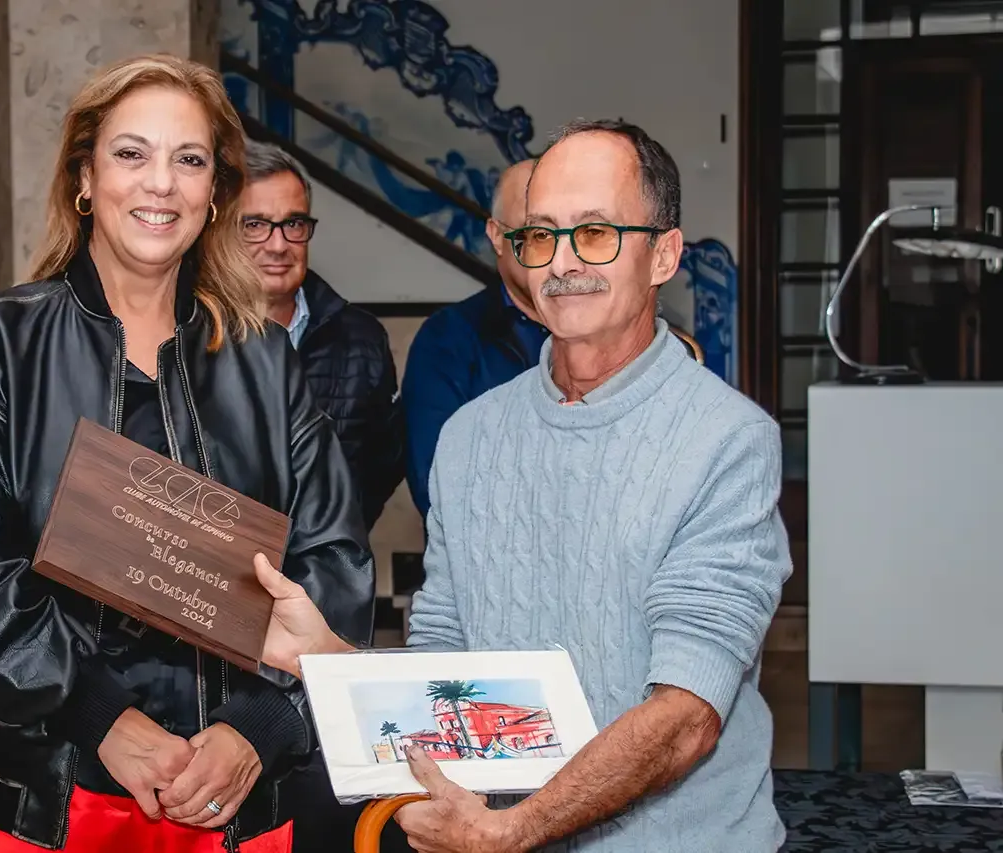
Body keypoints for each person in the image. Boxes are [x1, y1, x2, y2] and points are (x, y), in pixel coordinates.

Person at [248, 119, 793, 853]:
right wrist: (332, 662)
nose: (563, 262)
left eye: (595, 233)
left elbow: (686, 717)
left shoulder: (726, 440)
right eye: (541, 236)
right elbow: (446, 662)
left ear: (663, 254)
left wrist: (508, 832)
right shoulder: (471, 436)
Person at [0, 54, 375, 853]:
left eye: (189, 160)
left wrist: (258, 727)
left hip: (234, 799)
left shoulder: (265, 360)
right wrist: (101, 716)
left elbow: (334, 560)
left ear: (214, 193)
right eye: (130, 153)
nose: (161, 183)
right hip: (49, 799)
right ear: (85, 177)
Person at [238, 138, 404, 530]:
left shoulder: (361, 338)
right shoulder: (185, 331)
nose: (278, 245)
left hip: (323, 564)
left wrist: (335, 539)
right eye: (255, 225)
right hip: (213, 560)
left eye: (293, 224)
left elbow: (382, 464)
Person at [401, 158, 548, 520]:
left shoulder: (599, 332)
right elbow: (437, 487)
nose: (552, 252)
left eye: (564, 233)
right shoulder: (447, 339)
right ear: (496, 236)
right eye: (534, 234)